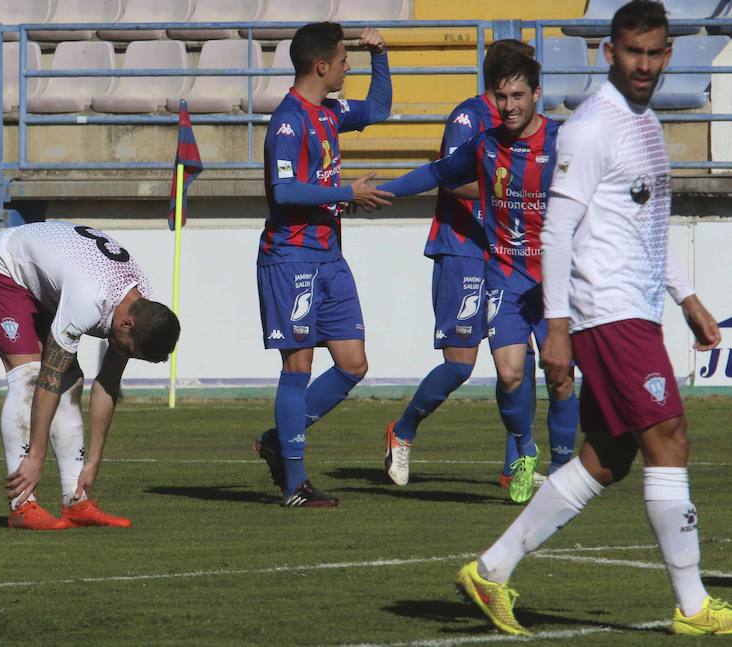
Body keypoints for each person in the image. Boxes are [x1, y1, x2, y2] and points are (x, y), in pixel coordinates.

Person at [453, 0, 730, 635]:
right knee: (670, 438)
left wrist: (685, 297)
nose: (646, 64)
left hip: (634, 307)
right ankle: (693, 608)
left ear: (667, 53)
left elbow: (647, 228)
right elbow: (558, 229)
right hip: (607, 313)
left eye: (656, 52)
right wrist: (556, 327)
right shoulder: (590, 127)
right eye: (633, 51)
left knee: (609, 456)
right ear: (611, 54)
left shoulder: (647, 123)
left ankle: (490, 570)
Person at [378, 53, 578, 505]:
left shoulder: (565, 141)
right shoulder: (484, 143)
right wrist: (384, 190)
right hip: (504, 277)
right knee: (509, 374)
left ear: (535, 94)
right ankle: (524, 452)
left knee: (559, 374)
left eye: (518, 95)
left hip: (554, 283)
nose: (509, 106)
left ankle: (565, 472)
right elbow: (436, 173)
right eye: (502, 96)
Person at [253, 22, 393, 507]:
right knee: (299, 363)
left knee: (353, 363)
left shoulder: (330, 112)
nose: (346, 66)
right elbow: (284, 192)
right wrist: (346, 192)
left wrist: (381, 55)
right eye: (343, 60)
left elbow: (378, 109)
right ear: (321, 66)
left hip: (329, 255)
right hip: (290, 256)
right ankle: (294, 484)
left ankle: (278, 438)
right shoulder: (288, 121)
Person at [0, 221, 180, 530]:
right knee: (30, 376)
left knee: (71, 383)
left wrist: (93, 461)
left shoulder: (140, 304)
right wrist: (36, 456)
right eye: (131, 351)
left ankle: (76, 501)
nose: (126, 355)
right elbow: (47, 379)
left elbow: (107, 383)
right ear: (126, 326)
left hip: (44, 280)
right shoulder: (89, 299)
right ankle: (22, 506)